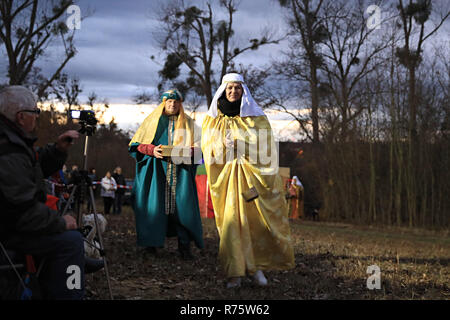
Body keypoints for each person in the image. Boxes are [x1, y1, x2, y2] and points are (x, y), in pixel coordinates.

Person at [201, 73, 295, 288]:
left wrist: (242, 145)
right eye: (230, 88)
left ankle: (257, 268)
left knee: (255, 222)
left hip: (251, 178)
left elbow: (266, 148)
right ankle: (235, 272)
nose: (233, 91)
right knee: (232, 223)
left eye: (237, 88)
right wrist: (222, 147)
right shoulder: (213, 119)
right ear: (224, 90)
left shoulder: (256, 118)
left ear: (243, 91)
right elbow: (208, 149)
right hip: (226, 179)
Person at [0, 85, 84, 299]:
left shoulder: (13, 141)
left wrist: (58, 150)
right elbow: (23, 210)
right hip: (10, 231)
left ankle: (69, 271)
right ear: (21, 117)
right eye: (35, 112)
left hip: (12, 224)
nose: (37, 117)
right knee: (72, 240)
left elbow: (32, 166)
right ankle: (70, 293)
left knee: (68, 235)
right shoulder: (8, 150)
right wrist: (60, 223)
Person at [128, 89, 204, 260]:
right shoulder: (151, 122)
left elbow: (201, 149)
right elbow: (136, 145)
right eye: (169, 101)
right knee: (154, 207)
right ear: (163, 103)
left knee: (183, 208)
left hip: (181, 174)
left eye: (176, 101)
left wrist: (187, 152)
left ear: (180, 104)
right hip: (156, 173)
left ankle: (184, 247)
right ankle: (151, 246)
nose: (172, 104)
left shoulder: (190, 124)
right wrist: (152, 149)